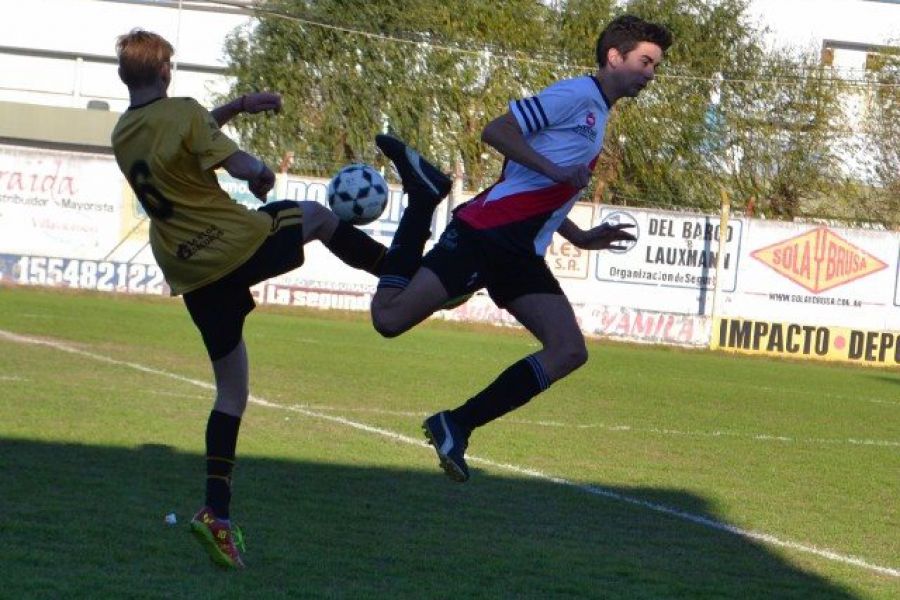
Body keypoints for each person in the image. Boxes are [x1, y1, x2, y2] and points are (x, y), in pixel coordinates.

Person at [111, 29, 387, 568]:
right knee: (319, 217)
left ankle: (217, 514)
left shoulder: (124, 132)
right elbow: (232, 160)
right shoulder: (185, 111)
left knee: (231, 392)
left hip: (188, 270)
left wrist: (235, 107)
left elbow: (179, 136)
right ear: (166, 69)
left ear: (127, 75)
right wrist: (258, 173)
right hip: (230, 245)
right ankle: (410, 278)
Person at [370, 15, 672, 482]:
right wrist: (555, 171)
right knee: (388, 320)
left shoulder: (600, 114)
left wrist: (580, 236)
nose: (651, 73)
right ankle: (423, 200)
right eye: (645, 62)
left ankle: (457, 423)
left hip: (519, 251)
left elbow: (537, 185)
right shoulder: (576, 95)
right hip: (486, 233)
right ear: (614, 57)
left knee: (569, 350)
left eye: (655, 65)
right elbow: (498, 131)